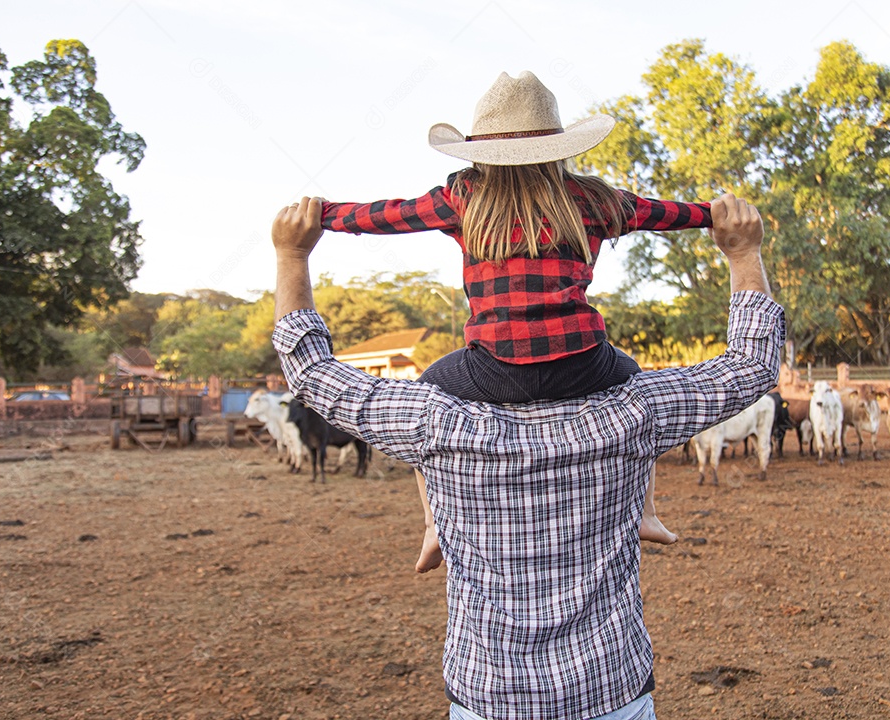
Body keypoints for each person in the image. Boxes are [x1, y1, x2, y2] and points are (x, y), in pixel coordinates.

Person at [271, 191, 785, 720]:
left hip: (489, 697)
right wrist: (742, 252)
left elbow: (312, 374)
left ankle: (435, 524)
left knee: (436, 383)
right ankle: (643, 510)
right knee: (624, 369)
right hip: (609, 692)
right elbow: (753, 363)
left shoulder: (436, 420)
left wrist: (293, 257)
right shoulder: (634, 413)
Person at [316, 71, 715, 571]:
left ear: (479, 154)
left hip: (493, 370)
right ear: (558, 148)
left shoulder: (465, 197)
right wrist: (714, 214)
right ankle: (647, 511)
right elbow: (667, 214)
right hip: (584, 363)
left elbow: (384, 215)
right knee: (633, 387)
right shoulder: (593, 198)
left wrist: (322, 214)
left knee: (428, 399)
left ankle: (433, 524)